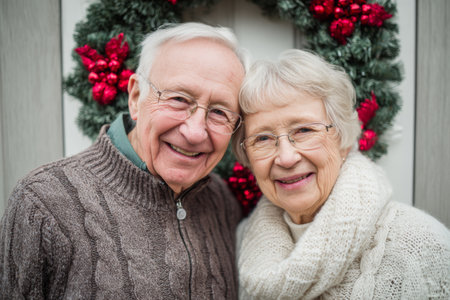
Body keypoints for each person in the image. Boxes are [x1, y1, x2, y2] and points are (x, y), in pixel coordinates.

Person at [0, 22, 249, 299]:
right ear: (135, 96)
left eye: (219, 112)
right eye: (178, 99)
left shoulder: (221, 201)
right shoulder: (42, 204)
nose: (195, 132)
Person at [232, 49, 450, 299]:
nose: (286, 157)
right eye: (262, 138)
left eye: (304, 130)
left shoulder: (422, 245)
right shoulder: (242, 243)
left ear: (343, 141)